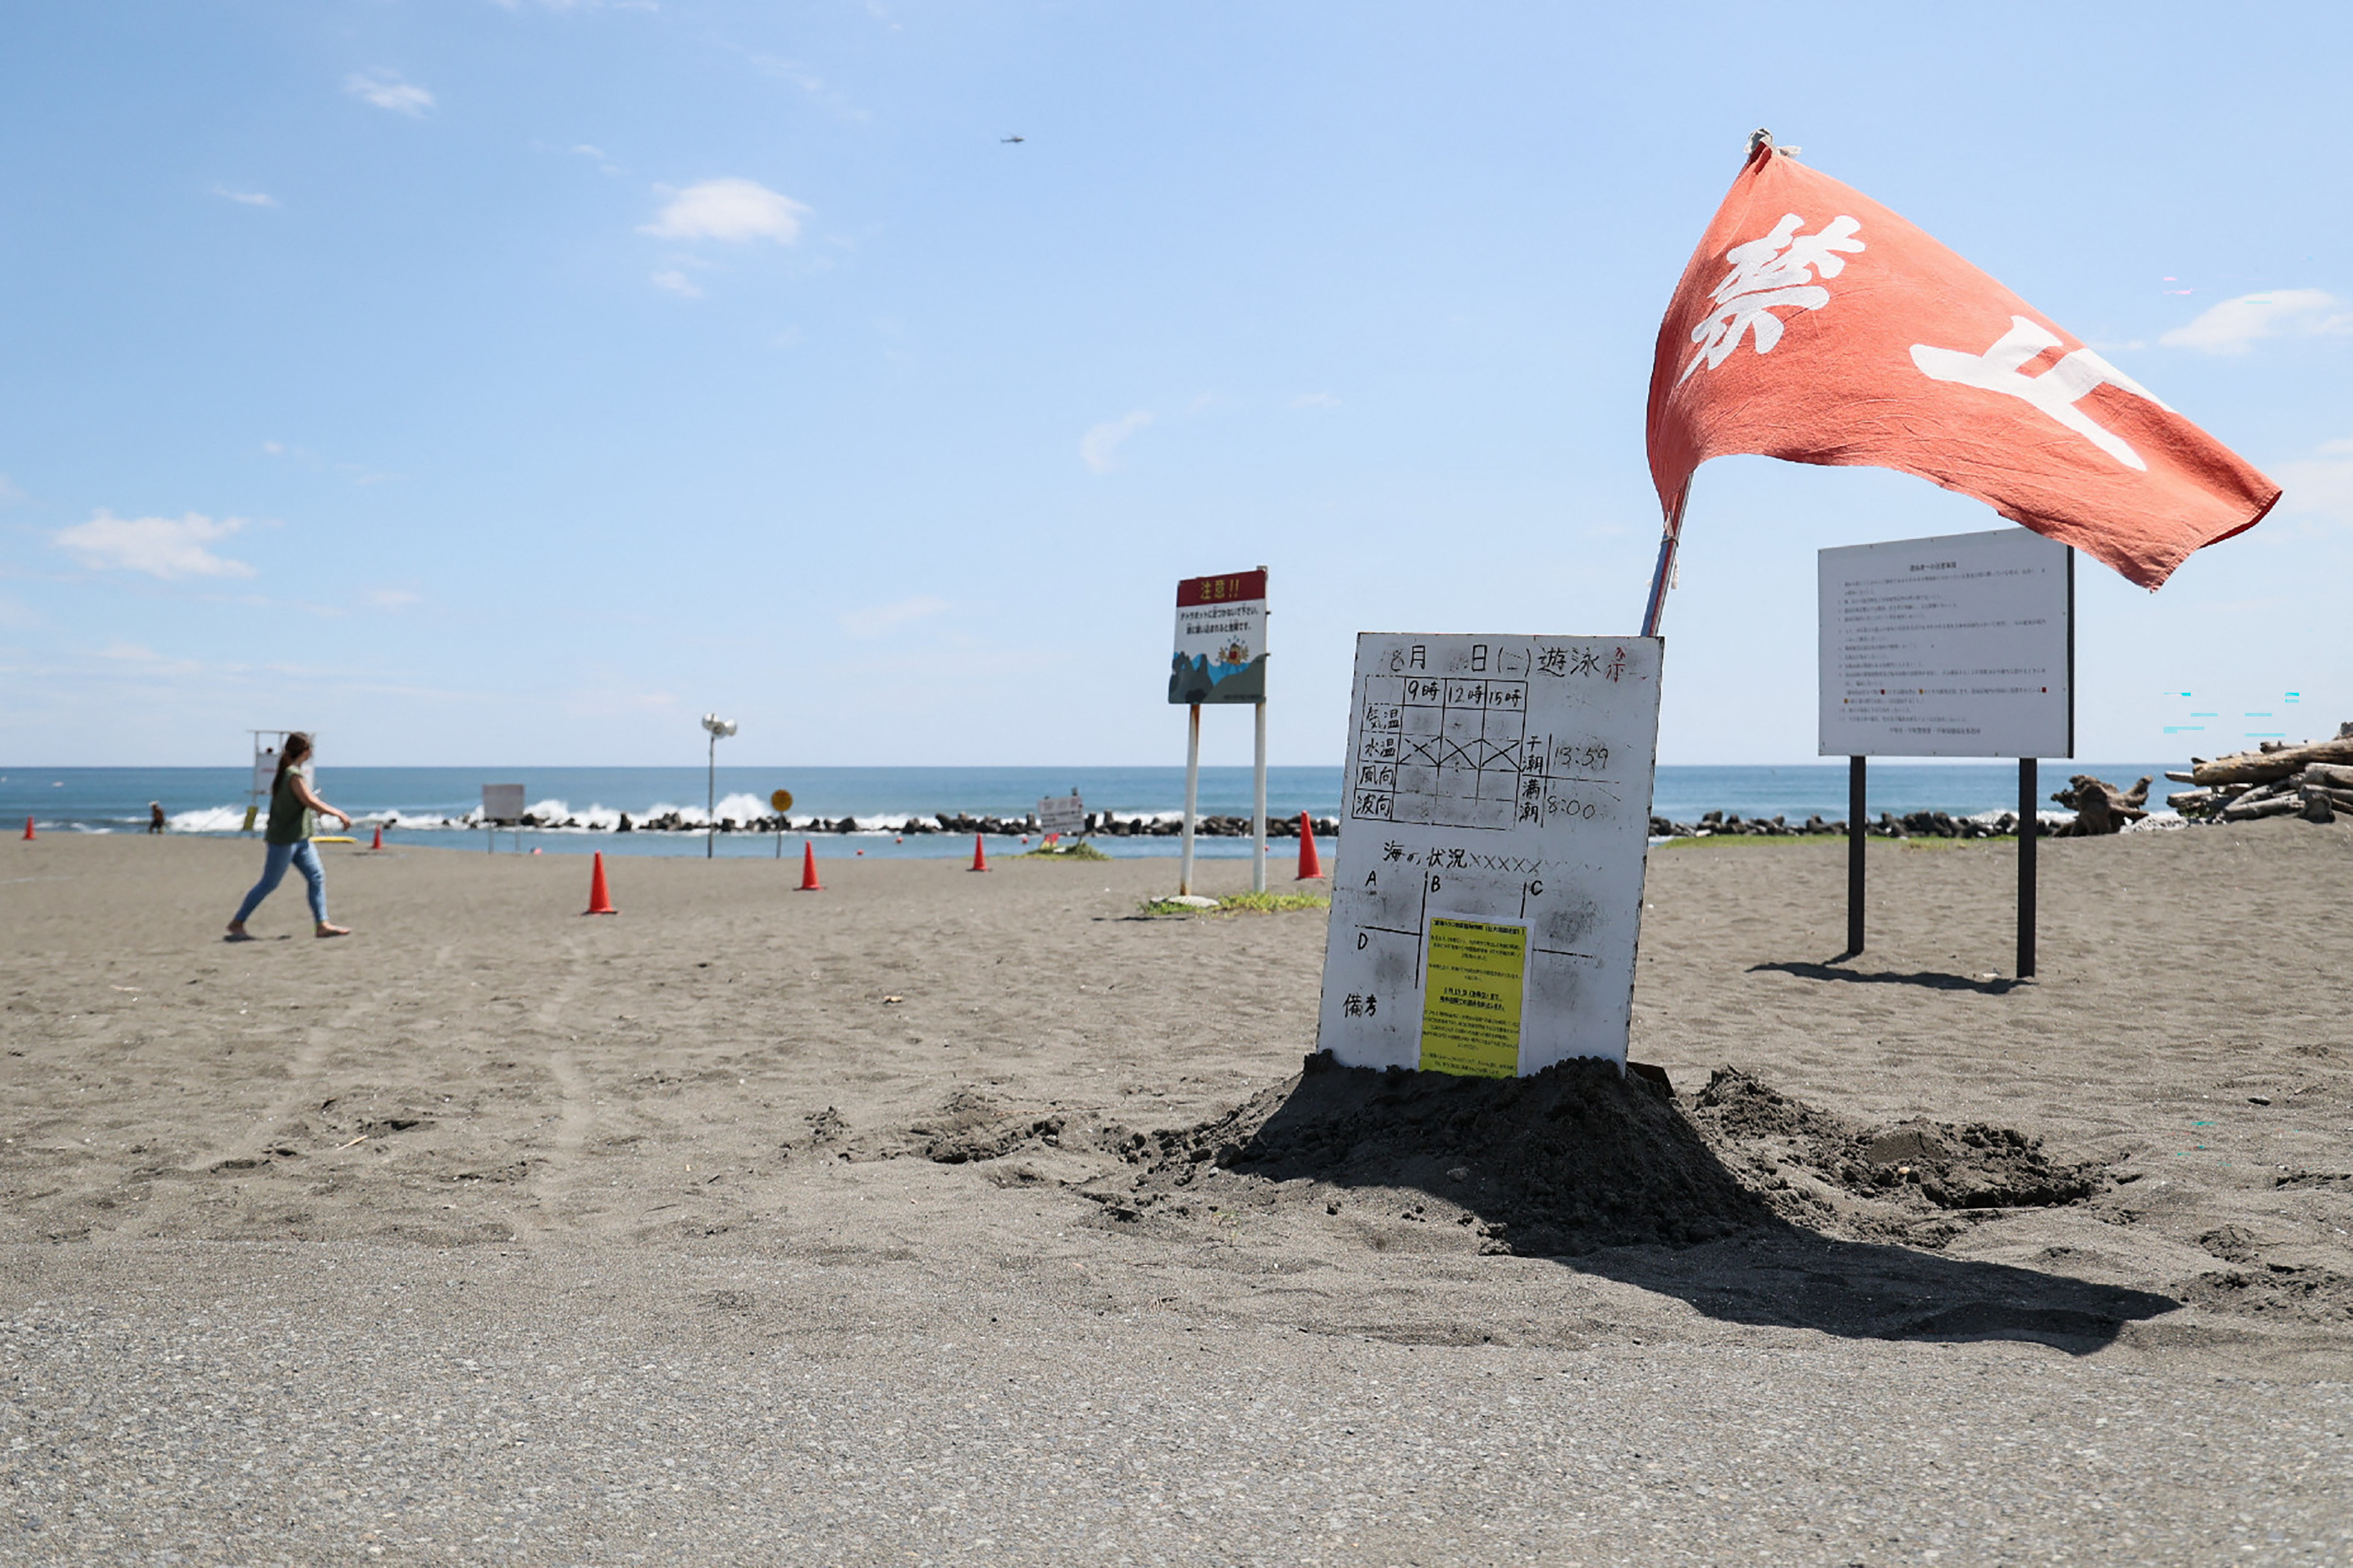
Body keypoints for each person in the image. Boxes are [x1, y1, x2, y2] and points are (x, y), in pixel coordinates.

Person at [226, 733, 352, 940]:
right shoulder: (293, 774)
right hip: (284, 839)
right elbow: (309, 800)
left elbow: (305, 801)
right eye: (310, 748)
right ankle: (237, 923)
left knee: (317, 877)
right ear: (305, 751)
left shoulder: (290, 772)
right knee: (269, 883)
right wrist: (338, 813)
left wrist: (322, 811)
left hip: (300, 838)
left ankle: (322, 924)